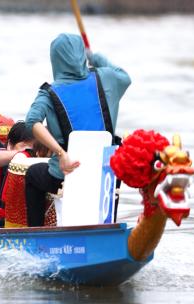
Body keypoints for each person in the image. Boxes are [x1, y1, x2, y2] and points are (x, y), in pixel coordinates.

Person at [24, 33, 131, 226]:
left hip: (66, 172)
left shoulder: (48, 93)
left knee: (32, 175)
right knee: (111, 171)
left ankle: (37, 235)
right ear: (81, 55)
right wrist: (94, 56)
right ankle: (107, 226)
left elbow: (31, 122)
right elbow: (125, 76)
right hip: (106, 172)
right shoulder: (107, 78)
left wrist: (60, 153)